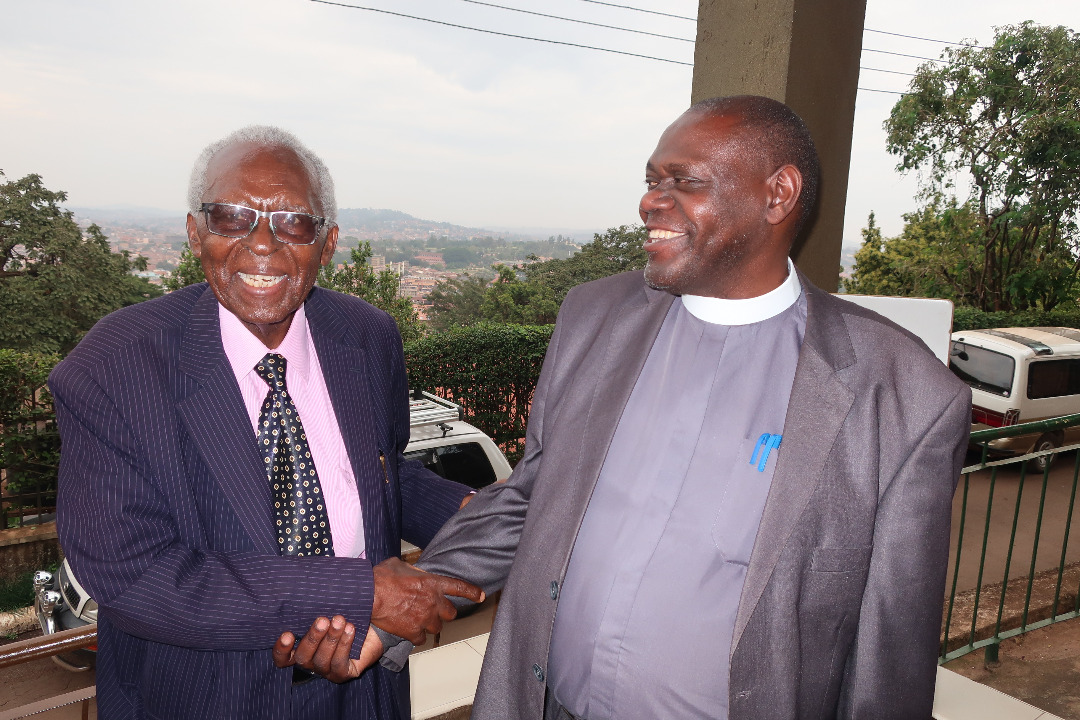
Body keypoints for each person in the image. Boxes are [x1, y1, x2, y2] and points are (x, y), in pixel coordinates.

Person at [358, 96, 971, 719]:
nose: (651, 201)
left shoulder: (903, 395)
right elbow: (531, 499)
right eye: (652, 181)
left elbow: (889, 660)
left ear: (777, 194)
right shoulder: (594, 318)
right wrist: (398, 606)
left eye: (685, 182)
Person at [49, 125, 483, 720]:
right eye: (232, 217)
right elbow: (132, 575)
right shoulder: (114, 365)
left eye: (293, 222)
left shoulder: (367, 337)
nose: (261, 243)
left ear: (327, 244)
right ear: (196, 233)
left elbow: (376, 475)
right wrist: (360, 594)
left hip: (363, 694)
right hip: (203, 699)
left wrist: (482, 514)